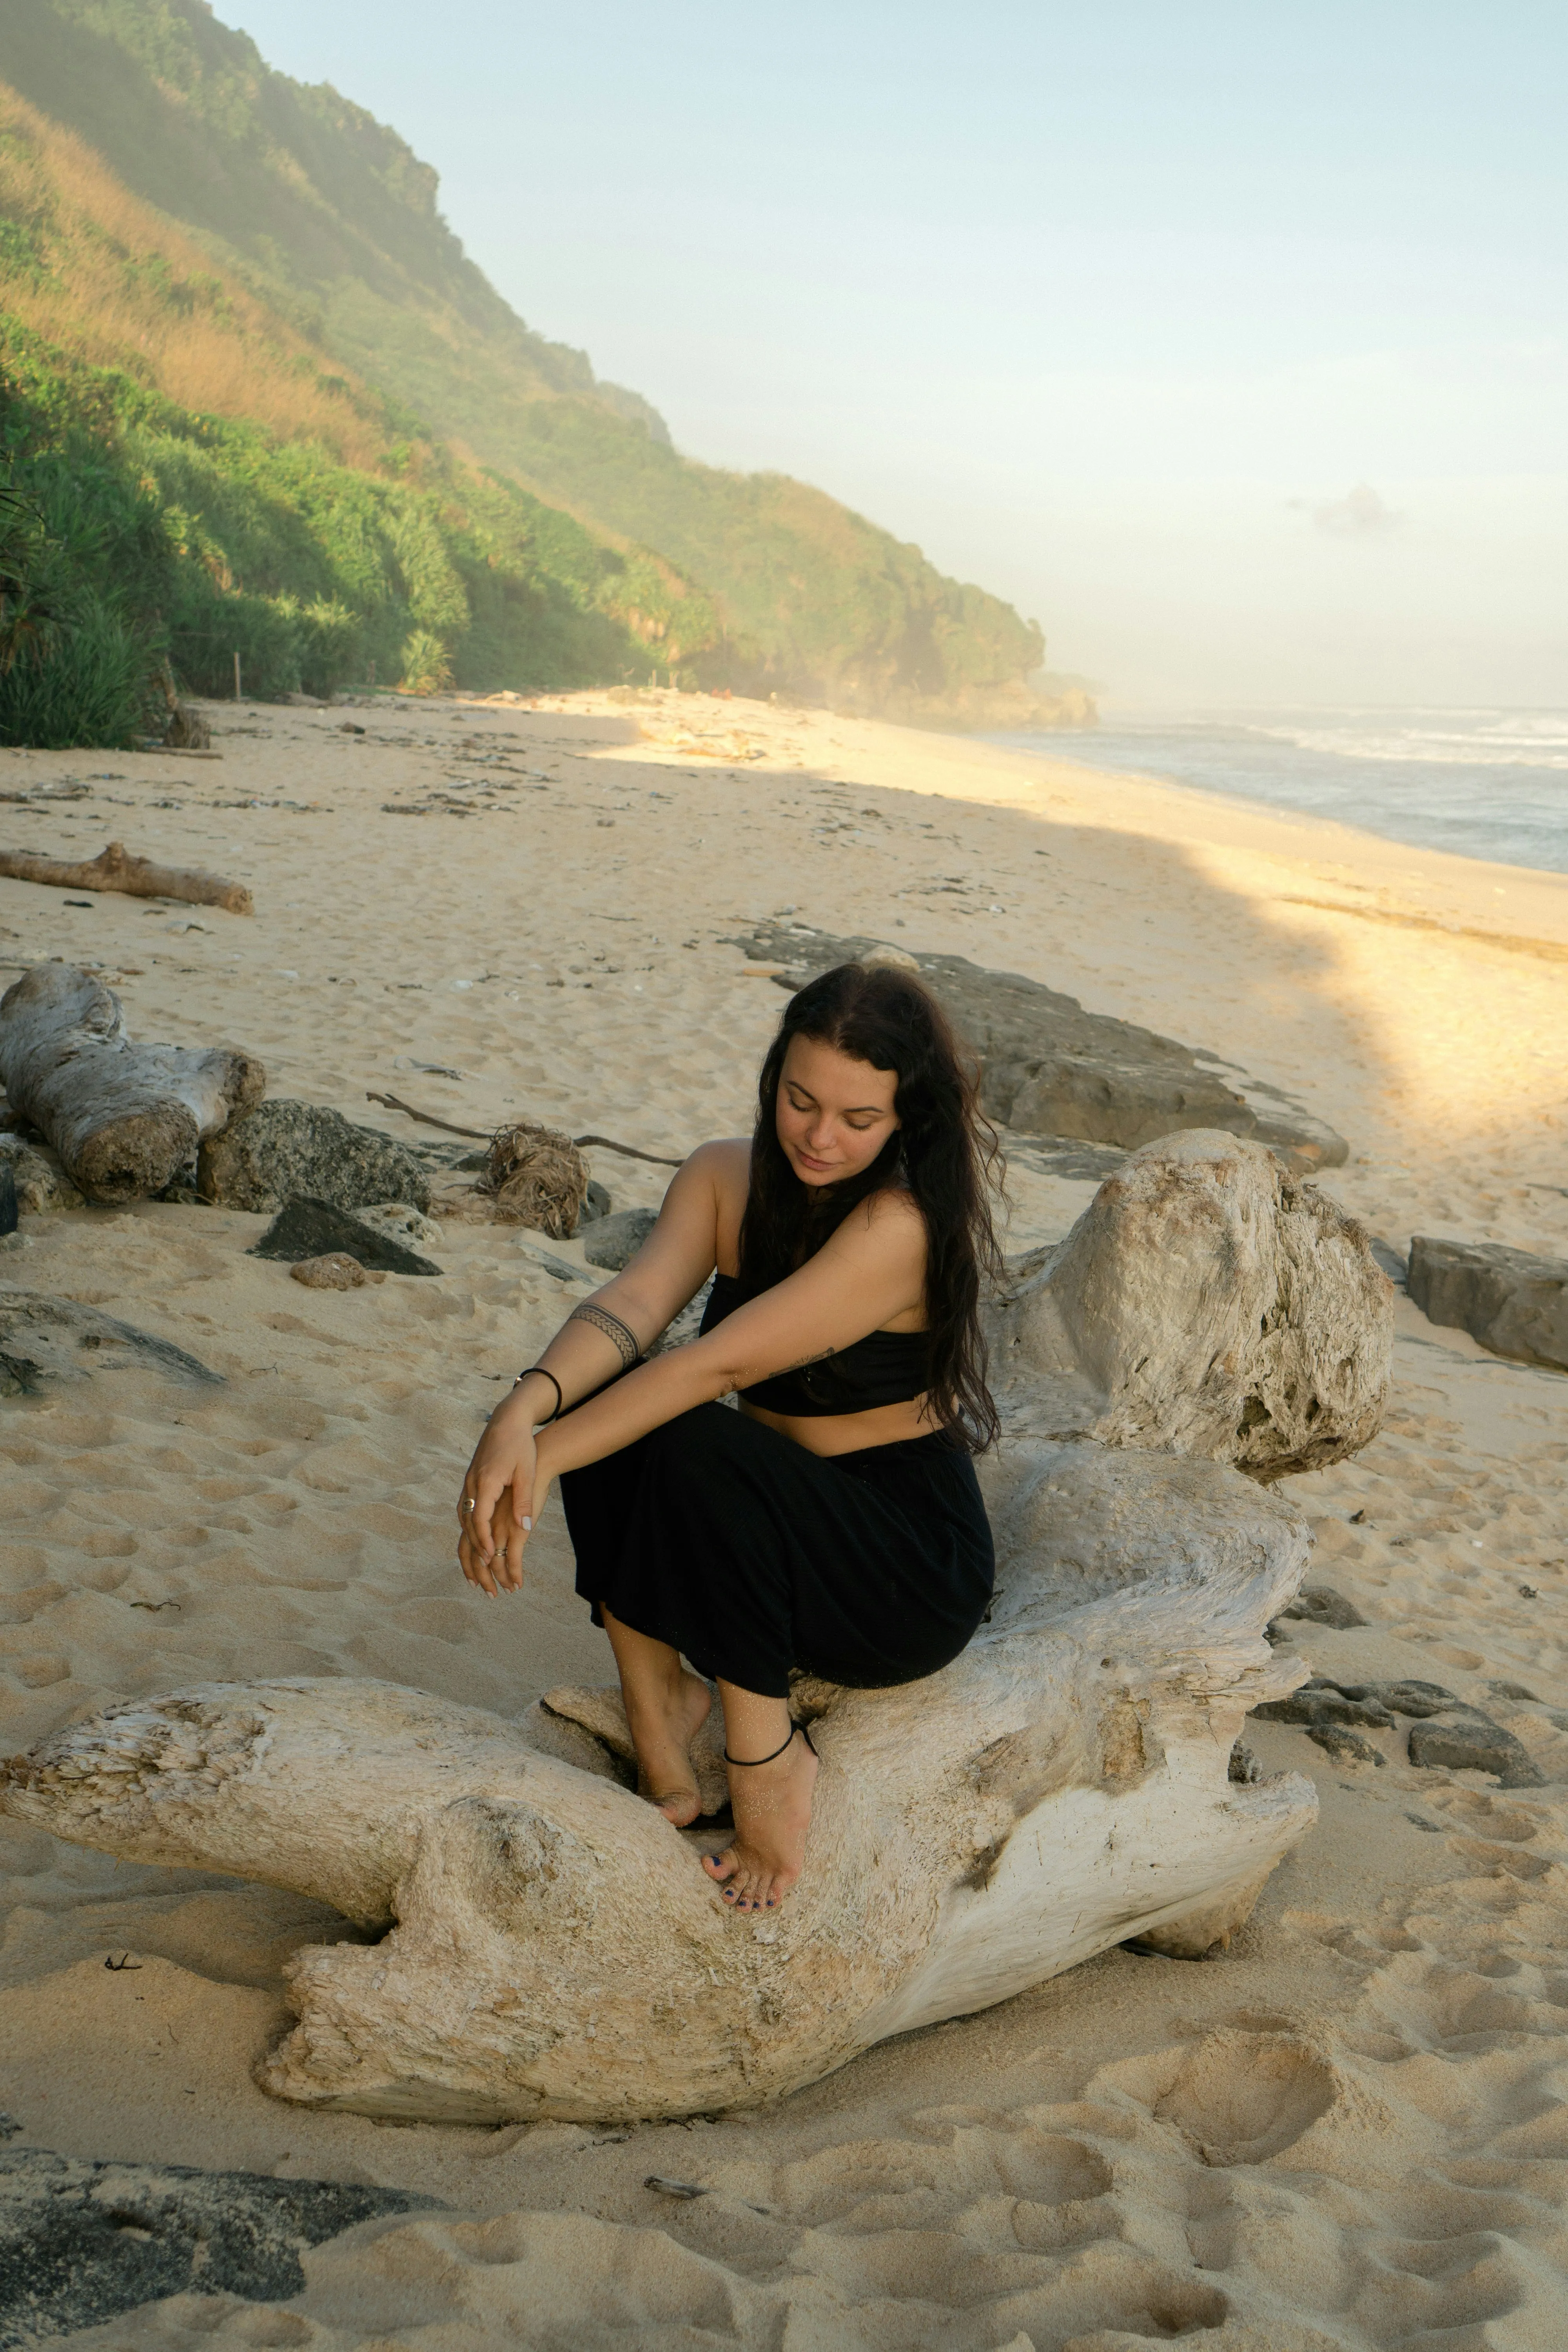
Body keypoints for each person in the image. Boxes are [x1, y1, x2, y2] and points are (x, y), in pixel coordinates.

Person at [457, 960, 1002, 1914]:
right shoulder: (721, 1176)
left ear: (904, 1122)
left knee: (676, 1431)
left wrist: (539, 1459)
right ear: (773, 1081)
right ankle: (661, 1713)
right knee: (615, 1400)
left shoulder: (899, 1225)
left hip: (895, 1567)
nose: (820, 1138)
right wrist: (521, 1412)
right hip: (762, 1543)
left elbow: (715, 1368)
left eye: (856, 1120)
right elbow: (631, 1305)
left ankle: (768, 1759)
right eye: (799, 1102)